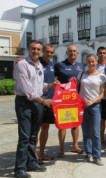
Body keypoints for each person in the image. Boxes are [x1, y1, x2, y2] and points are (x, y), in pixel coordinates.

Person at [13, 40, 52, 177]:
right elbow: (28, 90)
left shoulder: (39, 65)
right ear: (28, 50)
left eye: (38, 49)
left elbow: (38, 85)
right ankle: (19, 169)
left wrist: (49, 85)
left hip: (37, 103)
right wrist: (43, 101)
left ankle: (31, 163)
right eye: (34, 49)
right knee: (24, 137)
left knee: (33, 135)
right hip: (25, 102)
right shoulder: (21, 65)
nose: (36, 51)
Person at [54, 45, 84, 157]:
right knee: (62, 124)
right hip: (63, 99)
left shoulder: (81, 66)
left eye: (74, 51)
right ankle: (61, 149)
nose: (72, 53)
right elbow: (54, 79)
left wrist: (79, 82)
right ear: (66, 53)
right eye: (70, 51)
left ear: (77, 53)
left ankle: (75, 146)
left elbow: (83, 79)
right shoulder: (59, 65)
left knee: (75, 124)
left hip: (75, 99)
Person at [77, 54, 106, 166]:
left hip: (95, 106)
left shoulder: (102, 76)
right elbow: (76, 88)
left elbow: (102, 93)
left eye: (93, 61)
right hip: (83, 106)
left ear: (96, 62)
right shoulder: (81, 74)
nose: (91, 64)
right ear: (86, 63)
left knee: (95, 132)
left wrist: (93, 101)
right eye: (89, 62)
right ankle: (88, 153)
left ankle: (97, 156)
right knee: (85, 131)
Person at [36, 44, 59, 164]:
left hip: (50, 102)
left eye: (51, 53)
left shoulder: (51, 64)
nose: (49, 54)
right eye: (47, 52)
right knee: (36, 129)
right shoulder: (37, 63)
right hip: (39, 101)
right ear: (43, 51)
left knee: (46, 127)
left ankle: (41, 154)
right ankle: (34, 155)